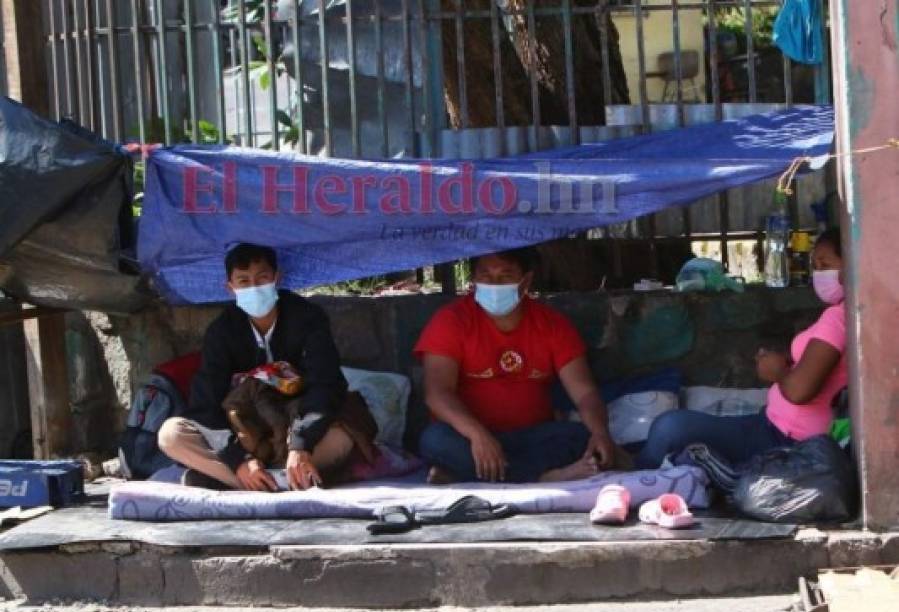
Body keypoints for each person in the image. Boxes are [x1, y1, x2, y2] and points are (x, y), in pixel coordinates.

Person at [158, 243, 375, 491]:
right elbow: (205, 404)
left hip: (300, 431)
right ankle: (270, 481)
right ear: (230, 288)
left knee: (342, 439)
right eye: (243, 281)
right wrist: (239, 460)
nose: (254, 287)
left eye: (262, 278)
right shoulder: (222, 332)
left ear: (276, 278)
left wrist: (301, 444)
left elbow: (326, 385)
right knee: (171, 435)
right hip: (248, 438)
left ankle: (240, 483)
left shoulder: (308, 319)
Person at [636, 228, 848, 469]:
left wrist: (777, 372)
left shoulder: (838, 318)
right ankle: (636, 463)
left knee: (670, 428)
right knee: (670, 433)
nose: (818, 274)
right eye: (815, 266)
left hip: (784, 439)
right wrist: (788, 363)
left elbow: (799, 392)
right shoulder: (849, 314)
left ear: (850, 265)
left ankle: (634, 477)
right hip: (773, 425)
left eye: (825, 265)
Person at [413, 247, 621, 484]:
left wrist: (600, 433)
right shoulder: (451, 321)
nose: (494, 283)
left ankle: (467, 473)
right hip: (468, 438)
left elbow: (584, 393)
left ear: (526, 281)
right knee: (435, 440)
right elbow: (437, 393)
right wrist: (478, 436)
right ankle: (544, 477)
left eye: (505, 276)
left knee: (579, 437)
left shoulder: (552, 324)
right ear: (473, 280)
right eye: (485, 276)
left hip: (530, 438)